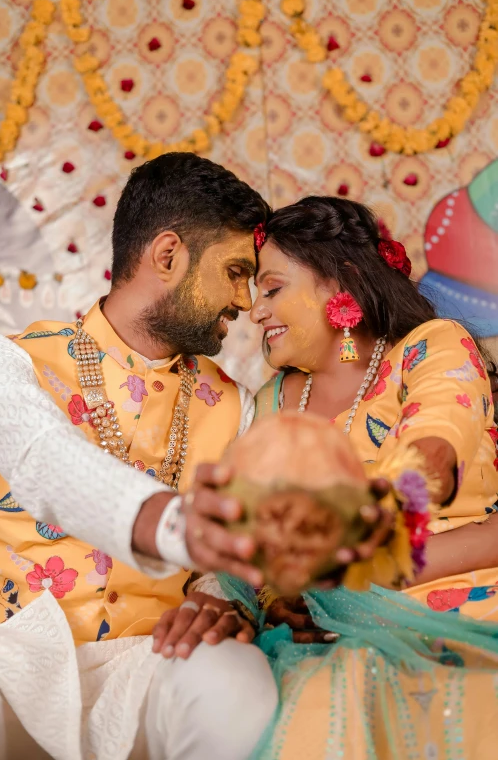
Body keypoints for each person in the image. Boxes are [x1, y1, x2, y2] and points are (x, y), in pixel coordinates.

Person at [158, 196, 498, 759]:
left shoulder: (430, 348)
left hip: (465, 597)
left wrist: (347, 571)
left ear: (343, 283)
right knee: (310, 699)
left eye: (271, 289)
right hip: (326, 634)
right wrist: (272, 595)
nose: (255, 310)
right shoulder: (271, 403)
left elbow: (433, 454)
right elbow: (248, 534)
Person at [0, 153, 280, 760]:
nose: (245, 301)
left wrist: (218, 595)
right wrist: (175, 525)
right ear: (167, 256)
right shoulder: (4, 363)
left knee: (234, 683)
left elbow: (244, 546)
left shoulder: (239, 406)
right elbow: (42, 457)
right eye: (236, 271)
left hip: (150, 656)